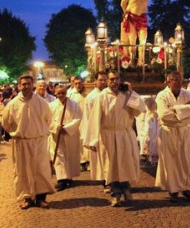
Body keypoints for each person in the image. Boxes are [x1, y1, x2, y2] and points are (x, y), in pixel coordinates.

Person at [88, 71, 145, 206]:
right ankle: (116, 193)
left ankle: (126, 189)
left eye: (117, 79)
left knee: (125, 163)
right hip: (108, 136)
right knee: (111, 165)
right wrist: (93, 140)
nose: (114, 82)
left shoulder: (126, 94)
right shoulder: (101, 97)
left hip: (124, 134)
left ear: (121, 80)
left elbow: (140, 109)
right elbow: (95, 118)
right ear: (107, 81)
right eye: (112, 79)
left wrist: (131, 92)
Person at [2, 75, 55, 209]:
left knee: (41, 170)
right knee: (22, 171)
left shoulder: (42, 102)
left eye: (28, 84)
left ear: (33, 85)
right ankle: (27, 197)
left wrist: (38, 131)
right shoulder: (13, 104)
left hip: (39, 141)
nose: (25, 86)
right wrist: (17, 133)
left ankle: (41, 197)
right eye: (23, 84)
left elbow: (48, 119)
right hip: (21, 142)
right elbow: (6, 123)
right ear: (19, 86)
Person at [155, 71, 190, 202]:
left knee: (188, 159)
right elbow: (163, 114)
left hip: (184, 131)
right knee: (171, 161)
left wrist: (175, 109)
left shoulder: (187, 93)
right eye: (174, 80)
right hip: (169, 131)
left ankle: (187, 188)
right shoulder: (162, 95)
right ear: (168, 81)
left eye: (180, 80)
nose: (178, 82)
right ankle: (173, 190)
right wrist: (183, 111)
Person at [49, 85, 82, 191]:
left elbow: (78, 118)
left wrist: (67, 129)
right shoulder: (51, 105)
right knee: (59, 156)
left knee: (71, 155)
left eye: (63, 93)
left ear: (66, 92)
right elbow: (47, 120)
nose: (61, 95)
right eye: (59, 93)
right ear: (55, 93)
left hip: (70, 135)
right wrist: (56, 127)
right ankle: (61, 179)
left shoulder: (74, 104)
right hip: (56, 135)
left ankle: (69, 176)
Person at [81, 71, 108, 182]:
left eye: (104, 80)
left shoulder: (109, 94)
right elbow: (87, 118)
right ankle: (104, 180)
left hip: (109, 130)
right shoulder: (91, 97)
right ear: (95, 81)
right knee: (99, 159)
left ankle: (111, 180)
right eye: (100, 80)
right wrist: (90, 138)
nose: (102, 82)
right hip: (97, 131)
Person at [120, 0, 148, 66]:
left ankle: (141, 60)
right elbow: (123, 2)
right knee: (132, 39)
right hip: (131, 15)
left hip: (142, 17)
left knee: (143, 40)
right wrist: (125, 12)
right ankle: (131, 60)